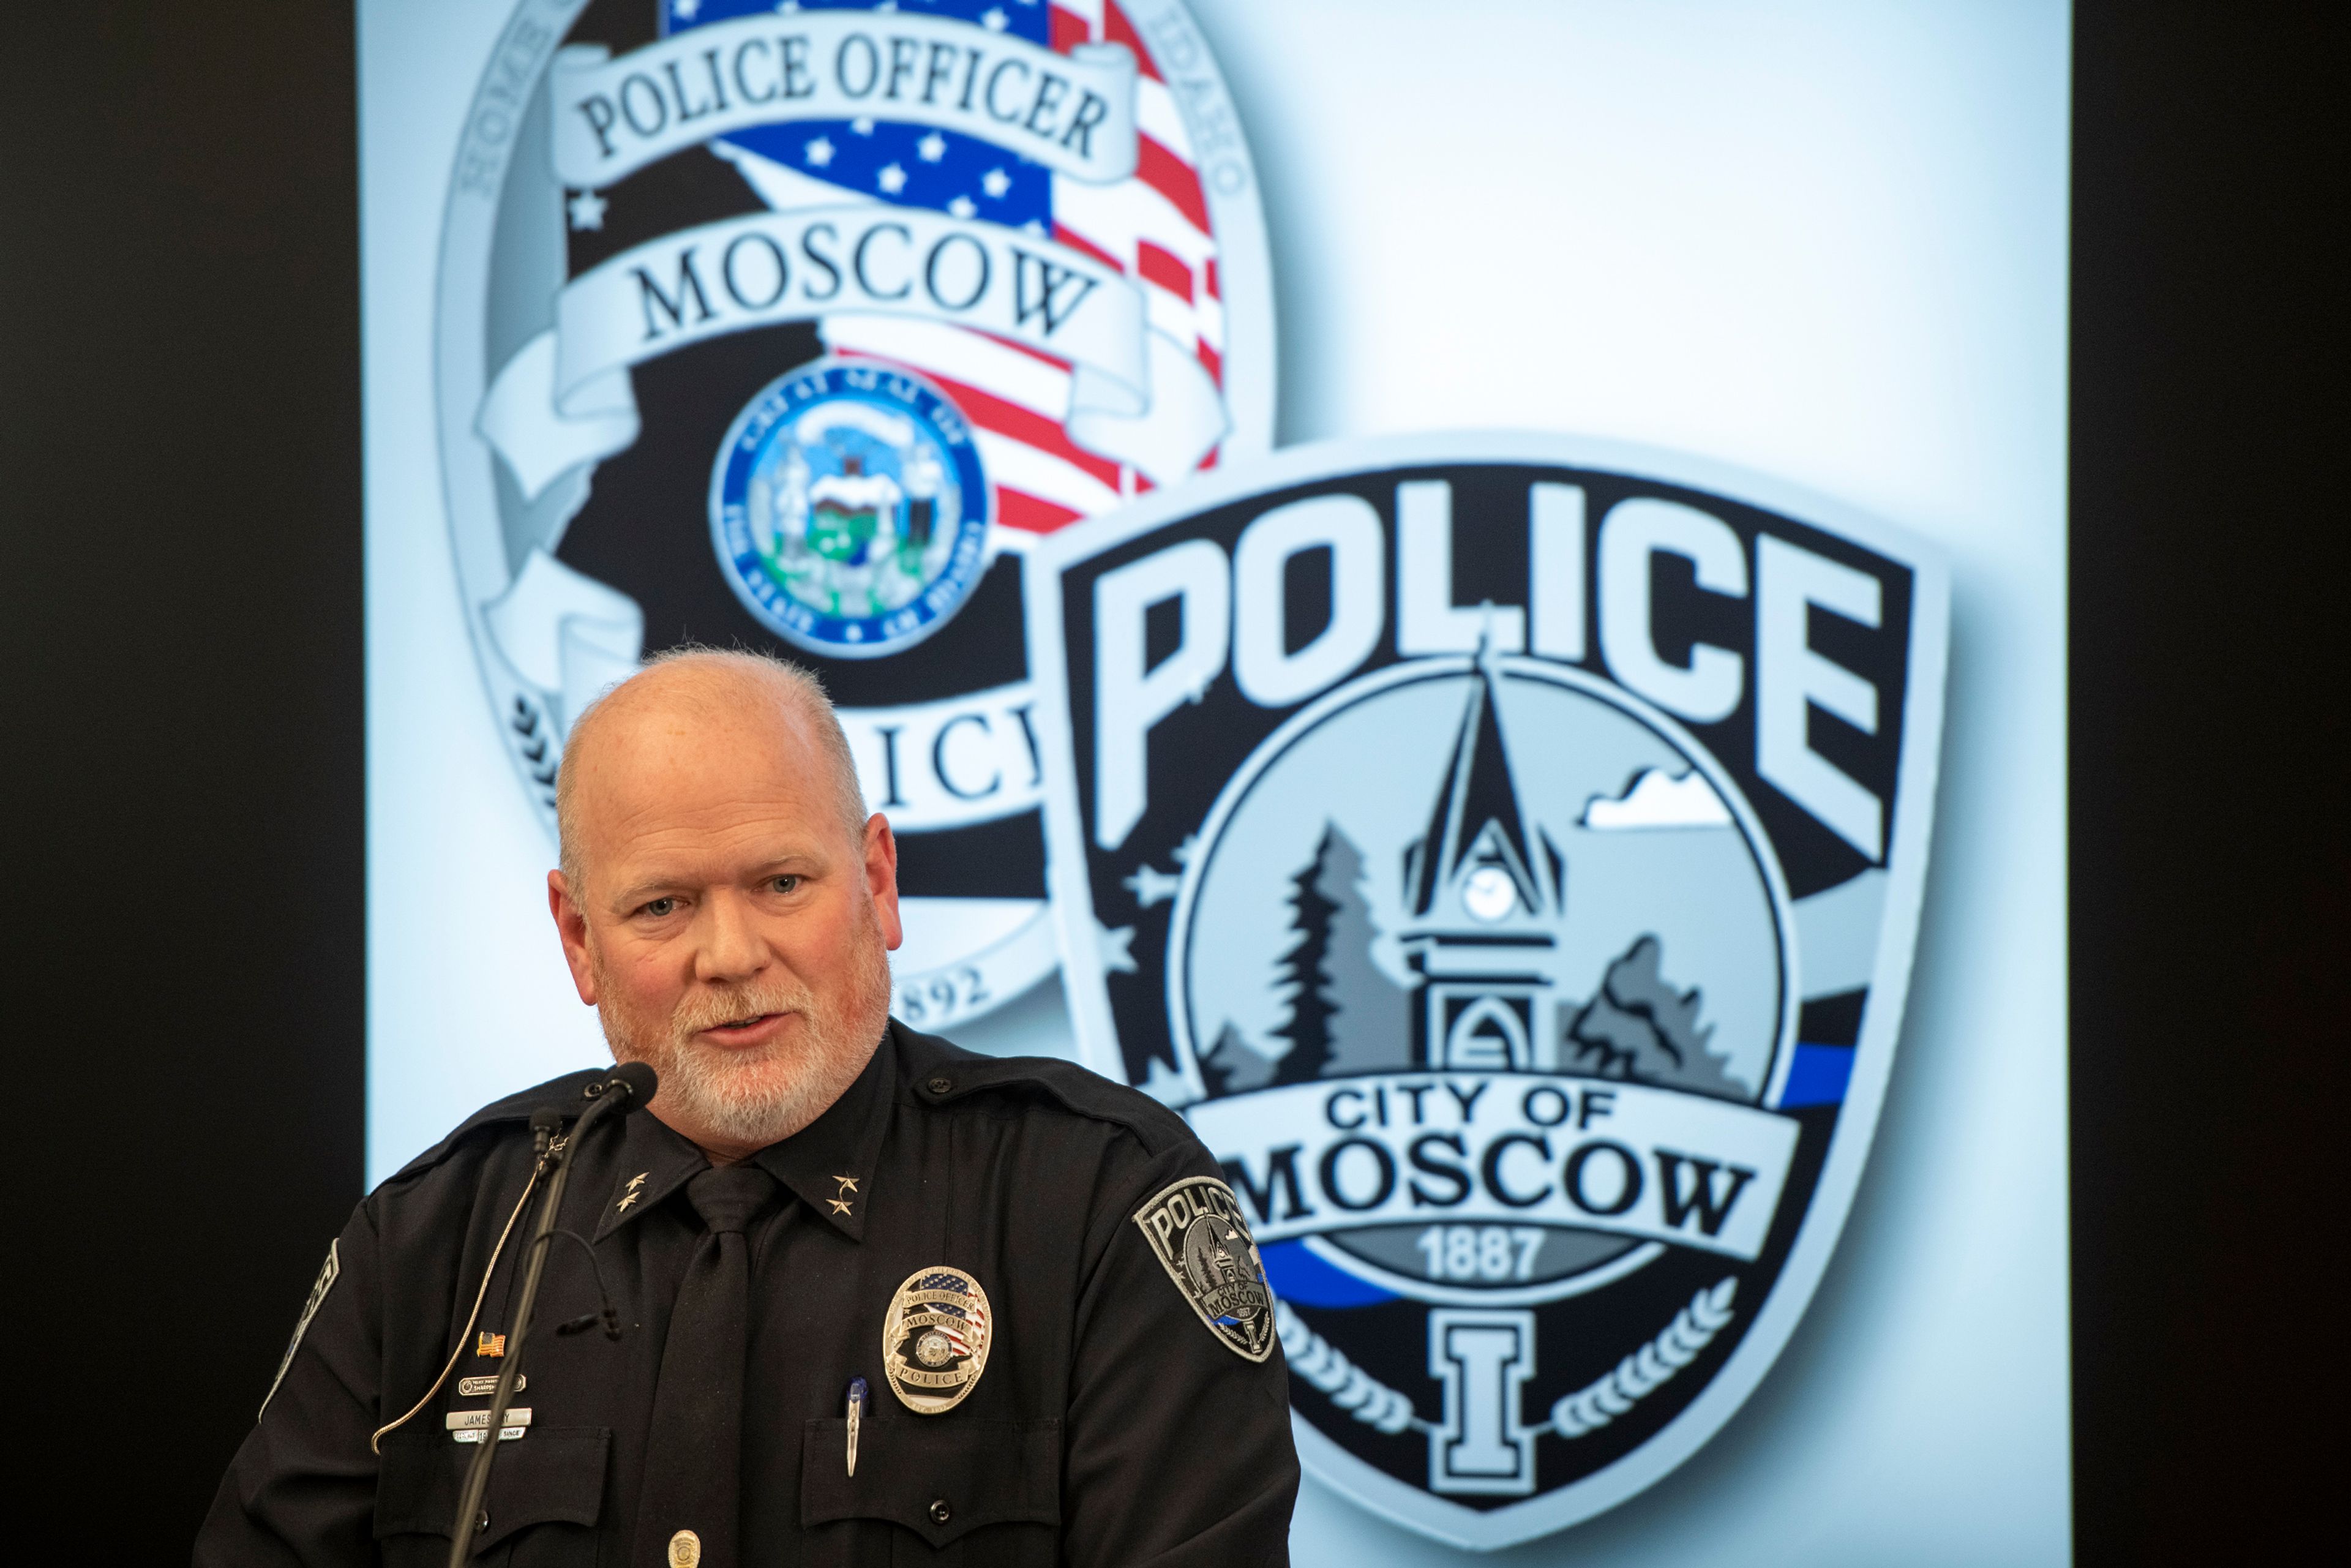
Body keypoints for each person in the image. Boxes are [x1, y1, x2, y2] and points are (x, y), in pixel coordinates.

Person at [196, 649, 1299, 1566]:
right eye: (663, 905)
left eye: (781, 882)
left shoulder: (1099, 1204)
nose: (730, 956)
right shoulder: (437, 1239)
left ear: (876, 881)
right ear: (579, 938)